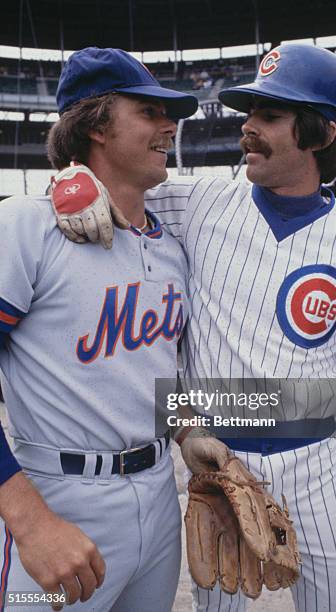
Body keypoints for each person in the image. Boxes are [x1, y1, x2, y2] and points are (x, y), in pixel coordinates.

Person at [51, 44, 336, 612]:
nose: (247, 127)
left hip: (315, 464)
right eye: (249, 112)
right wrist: (71, 183)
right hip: (214, 457)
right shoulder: (197, 199)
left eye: (269, 115)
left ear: (322, 133)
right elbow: (102, 171)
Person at [0, 47, 200, 611]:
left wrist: (191, 437)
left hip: (160, 494)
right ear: (96, 126)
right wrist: (30, 521)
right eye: (149, 111)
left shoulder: (170, 247)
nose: (170, 125)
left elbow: (149, 375)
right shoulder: (24, 226)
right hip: (58, 495)